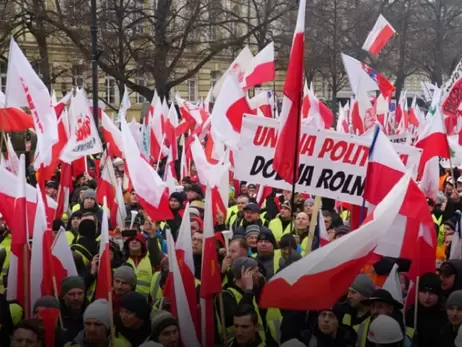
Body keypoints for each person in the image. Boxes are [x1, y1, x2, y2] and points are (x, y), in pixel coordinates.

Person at [405, 272, 447, 347]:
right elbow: (408, 336)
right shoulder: (412, 313)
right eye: (424, 292)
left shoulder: (445, 316)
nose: (427, 297)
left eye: (432, 293)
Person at [65, 299, 130, 346]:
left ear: (107, 327)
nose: (91, 329)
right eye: (88, 323)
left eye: (97, 324)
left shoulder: (122, 345)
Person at [60, 276, 87, 342]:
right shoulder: (58, 316)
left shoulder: (91, 313)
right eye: (71, 294)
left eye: (80, 293)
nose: (76, 298)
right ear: (63, 296)